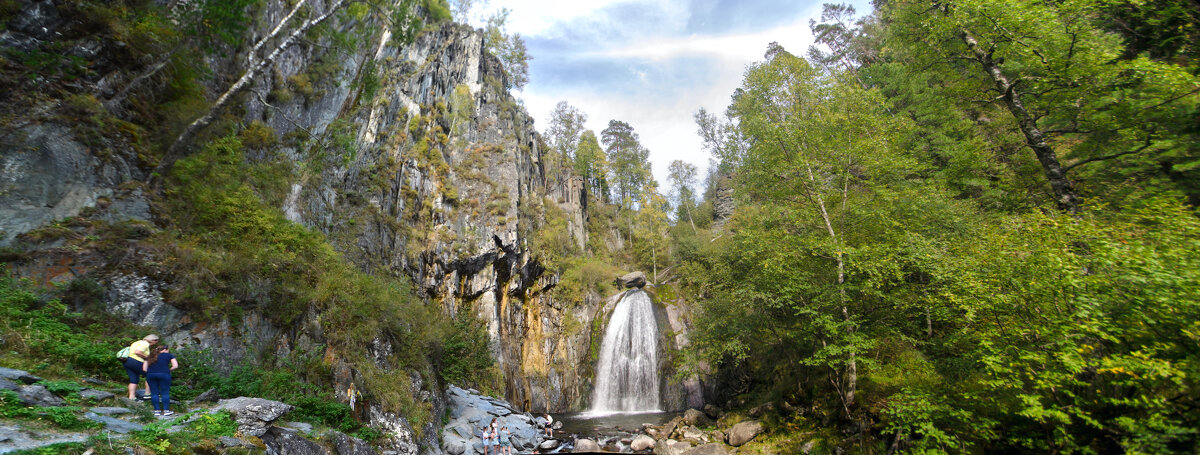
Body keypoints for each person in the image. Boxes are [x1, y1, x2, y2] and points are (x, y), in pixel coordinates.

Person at [142, 344, 178, 416]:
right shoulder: (169, 355)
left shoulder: (150, 356)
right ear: (165, 350)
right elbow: (175, 366)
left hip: (151, 375)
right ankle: (166, 411)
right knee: (165, 393)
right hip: (164, 374)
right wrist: (169, 370)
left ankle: (157, 411)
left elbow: (144, 369)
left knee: (154, 393)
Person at [124, 334, 158, 399]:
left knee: (133, 380)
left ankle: (131, 397)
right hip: (136, 361)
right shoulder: (145, 344)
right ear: (153, 340)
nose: (154, 344)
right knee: (150, 375)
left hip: (128, 361)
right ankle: (147, 394)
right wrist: (147, 357)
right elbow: (137, 352)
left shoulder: (137, 342)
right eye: (155, 342)